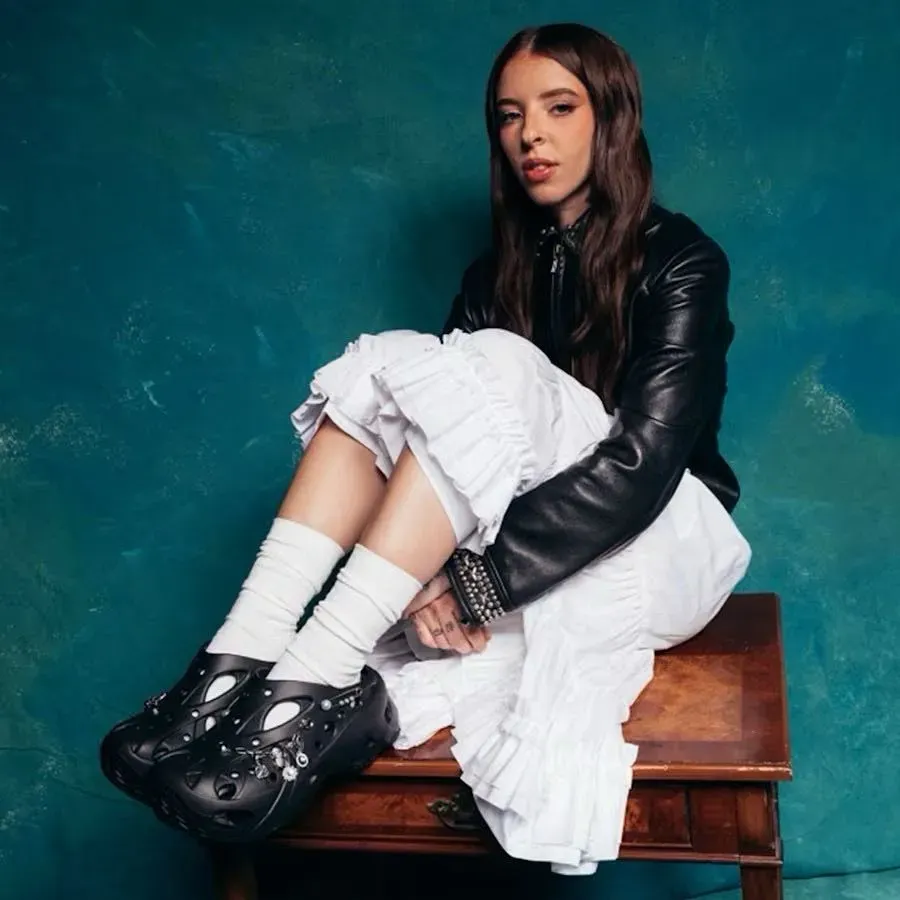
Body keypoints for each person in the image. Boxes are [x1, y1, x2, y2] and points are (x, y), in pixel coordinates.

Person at [100, 22, 751, 875]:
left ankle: (309, 678)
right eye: (510, 115)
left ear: (612, 117)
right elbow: (434, 439)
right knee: (394, 371)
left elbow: (643, 466)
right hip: (531, 555)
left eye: (559, 108)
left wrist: (471, 582)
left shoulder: (683, 262)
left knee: (482, 360)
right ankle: (242, 655)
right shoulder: (493, 275)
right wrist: (421, 586)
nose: (531, 135)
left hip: (667, 548)